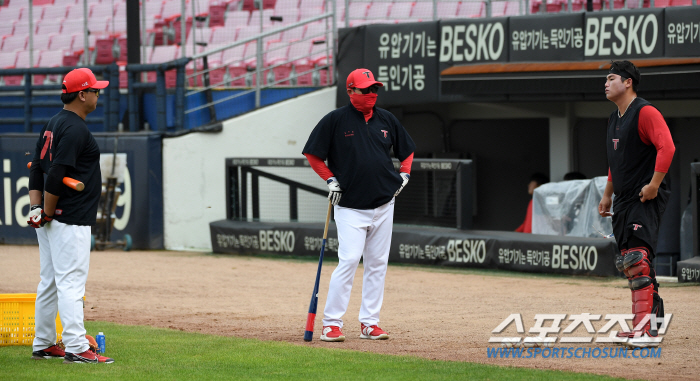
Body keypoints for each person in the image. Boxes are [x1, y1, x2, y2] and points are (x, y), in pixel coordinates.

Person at [302, 68, 416, 342]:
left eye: (374, 89)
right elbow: (313, 154)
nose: (371, 94)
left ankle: (369, 323)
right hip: (350, 205)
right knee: (350, 259)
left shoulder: (386, 119)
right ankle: (331, 324)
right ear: (351, 91)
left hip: (384, 202)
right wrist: (330, 180)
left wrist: (405, 173)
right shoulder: (335, 120)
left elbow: (408, 149)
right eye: (365, 90)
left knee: (377, 264)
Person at [28, 68, 114, 364]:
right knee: (71, 284)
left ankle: (44, 342)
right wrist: (48, 212)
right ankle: (77, 347)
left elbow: (36, 168)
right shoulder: (76, 128)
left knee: (50, 281)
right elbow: (55, 175)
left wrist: (36, 209)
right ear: (82, 94)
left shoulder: (53, 123)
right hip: (69, 217)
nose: (97, 95)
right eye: (95, 90)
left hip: (52, 217)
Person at [598, 60, 675, 348]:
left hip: (645, 195)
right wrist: (608, 194)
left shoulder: (645, 111)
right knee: (630, 263)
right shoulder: (613, 118)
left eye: (611, 77)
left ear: (628, 81)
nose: (605, 83)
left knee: (638, 260)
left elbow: (667, 146)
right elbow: (614, 163)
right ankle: (643, 326)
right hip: (624, 197)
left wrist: (654, 184)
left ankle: (647, 332)